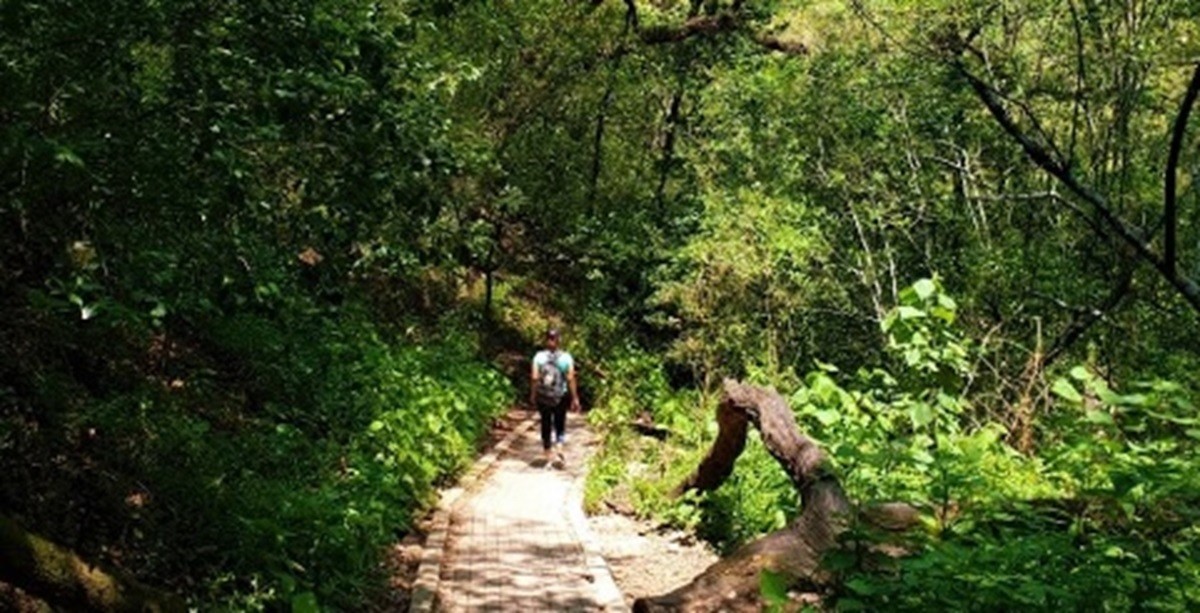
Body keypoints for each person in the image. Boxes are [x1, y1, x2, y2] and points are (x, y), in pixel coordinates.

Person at [530, 328, 580, 467]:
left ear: (546, 340)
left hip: (543, 396)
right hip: (560, 396)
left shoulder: (538, 357)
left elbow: (534, 377)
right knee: (560, 422)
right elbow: (570, 378)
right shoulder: (566, 357)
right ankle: (559, 447)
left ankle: (547, 453)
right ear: (559, 340)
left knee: (545, 423)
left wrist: (533, 395)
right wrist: (575, 397)